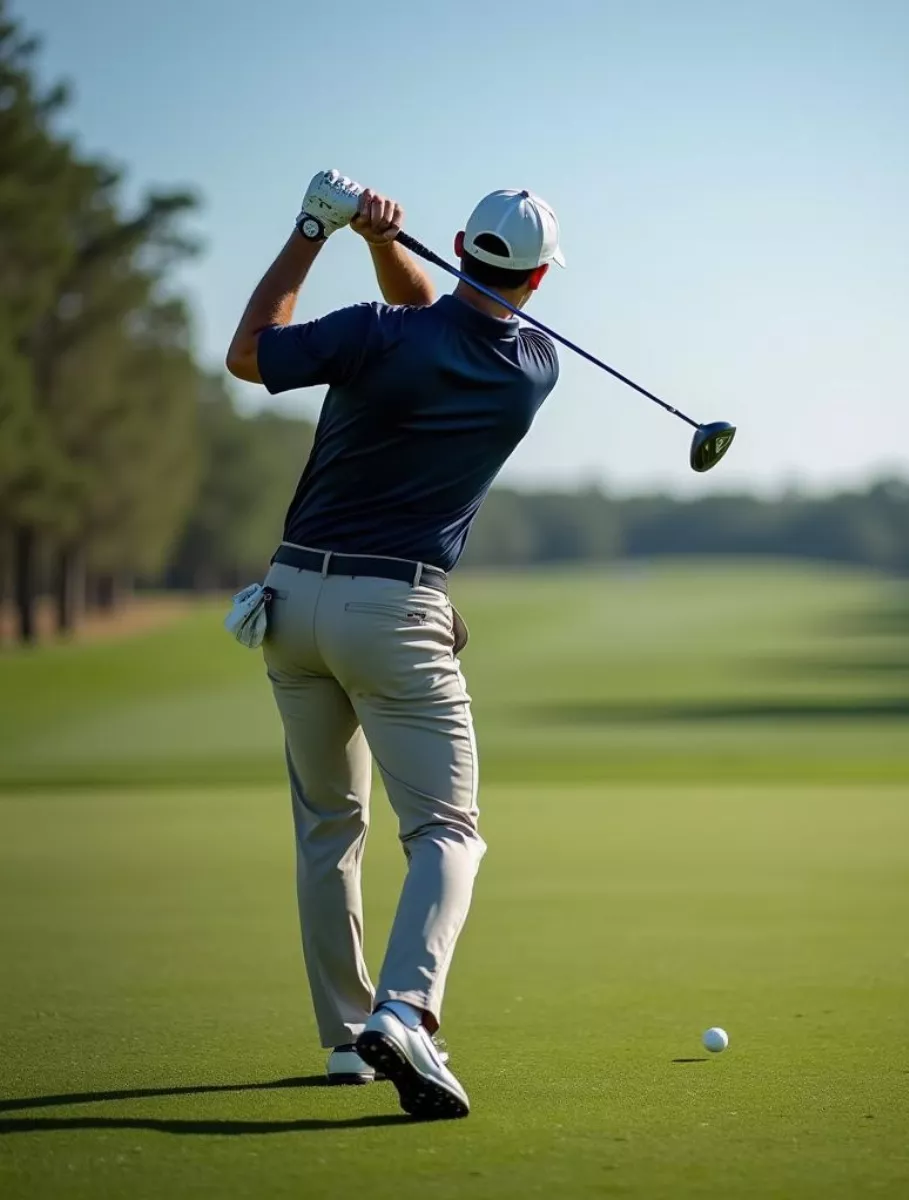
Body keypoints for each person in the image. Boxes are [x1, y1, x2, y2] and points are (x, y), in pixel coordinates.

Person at [225, 171, 563, 1119]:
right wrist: (381, 246)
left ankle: (346, 1040)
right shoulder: (533, 368)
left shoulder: (376, 333)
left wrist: (316, 230)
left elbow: (249, 355)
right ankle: (406, 1011)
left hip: (289, 602)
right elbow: (448, 325)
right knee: (446, 831)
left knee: (330, 829)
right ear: (540, 281)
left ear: (459, 247)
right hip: (398, 613)